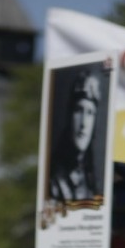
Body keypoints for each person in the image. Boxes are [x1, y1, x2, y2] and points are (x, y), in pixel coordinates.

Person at [49, 68, 102, 204]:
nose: (84, 123)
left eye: (90, 113)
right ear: (69, 116)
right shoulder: (53, 177)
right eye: (79, 110)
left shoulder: (91, 178)